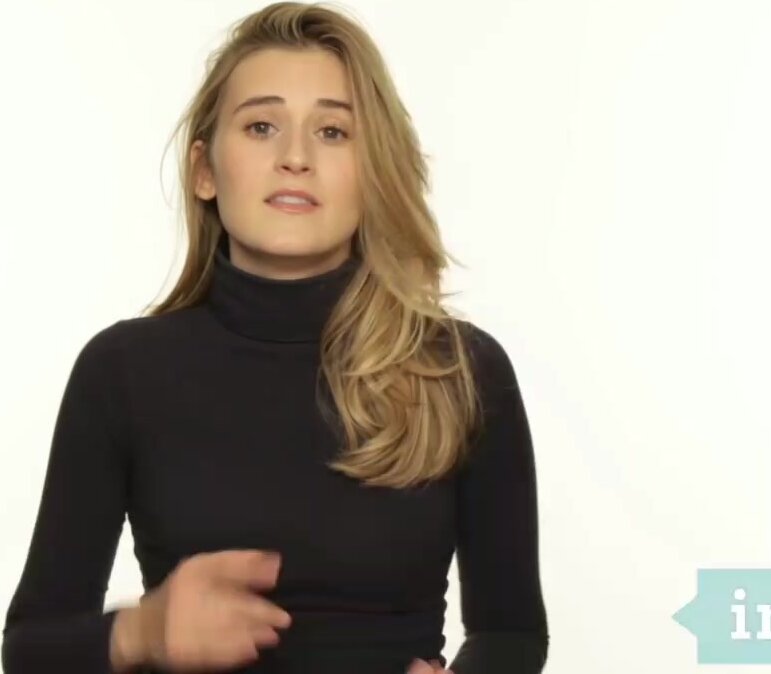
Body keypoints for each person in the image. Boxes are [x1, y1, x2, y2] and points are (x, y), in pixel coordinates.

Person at [0, 2, 548, 673]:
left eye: (333, 132)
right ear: (204, 170)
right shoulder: (121, 372)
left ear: (373, 173)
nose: (295, 158)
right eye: (261, 126)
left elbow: (511, 633)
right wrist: (140, 632)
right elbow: (28, 650)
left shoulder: (460, 369)